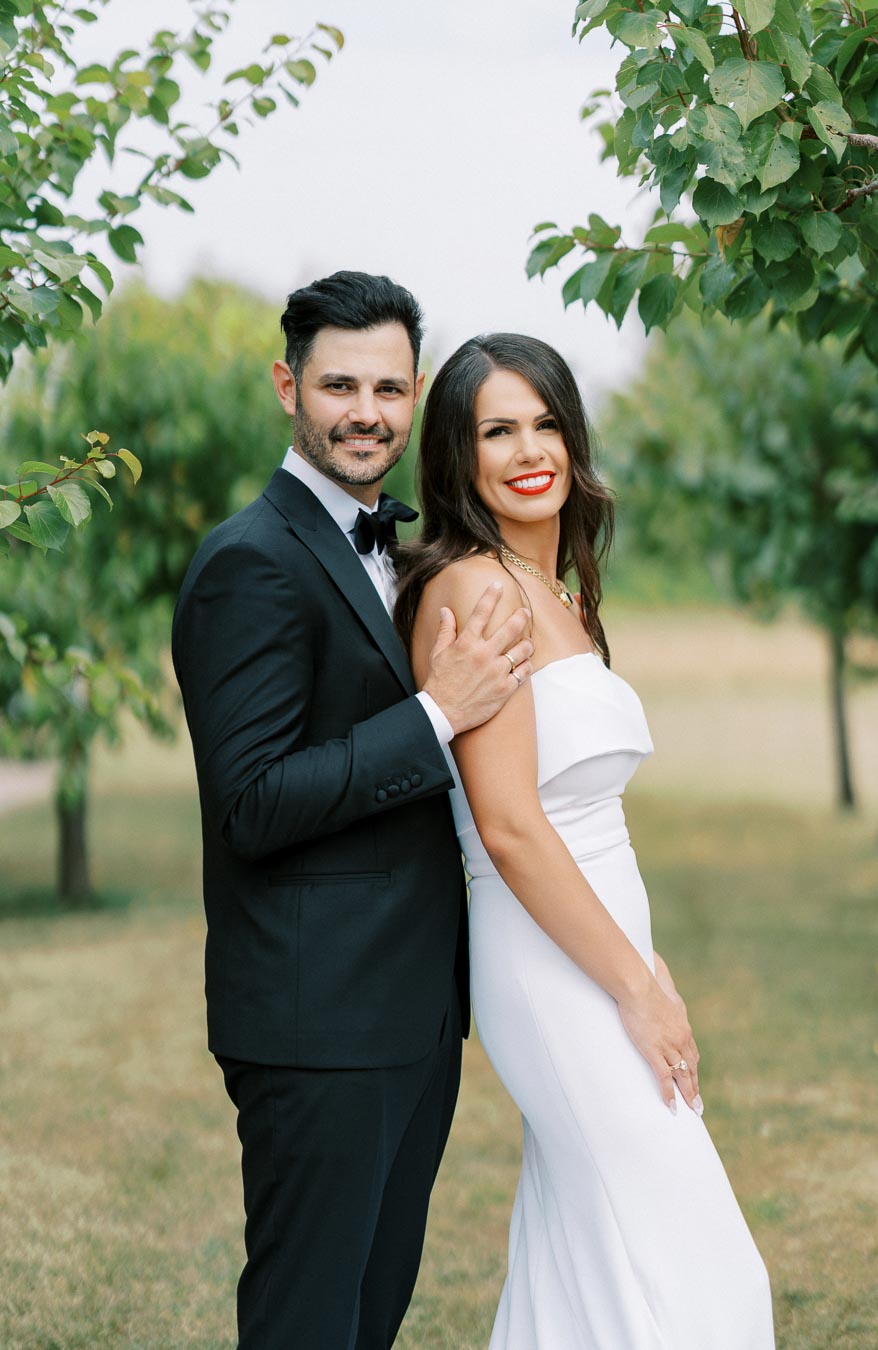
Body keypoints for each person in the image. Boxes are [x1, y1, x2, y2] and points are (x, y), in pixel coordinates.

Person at [171, 273, 534, 1350]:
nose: (365, 412)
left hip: (411, 1016)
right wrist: (432, 719)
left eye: (387, 387)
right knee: (306, 1323)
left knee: (367, 1320)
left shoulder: (399, 553)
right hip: (315, 1022)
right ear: (289, 386)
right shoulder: (249, 562)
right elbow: (251, 801)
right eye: (338, 385)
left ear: (415, 393)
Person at [394, 332, 776, 1349]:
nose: (530, 450)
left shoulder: (558, 589)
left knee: (583, 1263)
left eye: (547, 422)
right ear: (458, 458)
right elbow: (513, 826)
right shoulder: (477, 590)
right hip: (551, 965)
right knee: (706, 1277)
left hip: (600, 948)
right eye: (497, 429)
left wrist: (645, 962)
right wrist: (635, 991)